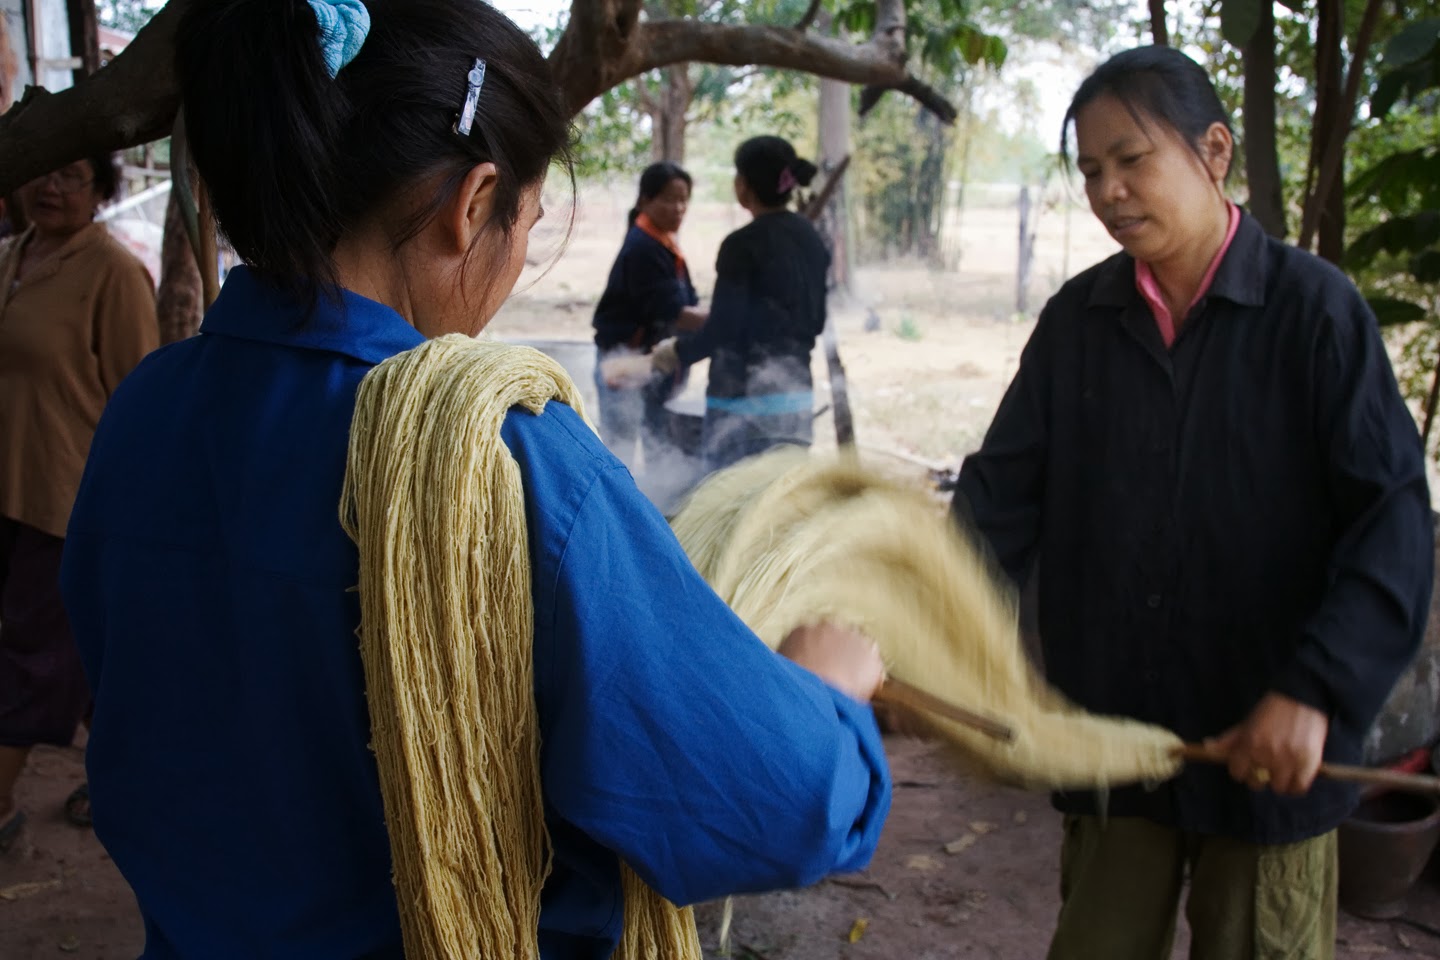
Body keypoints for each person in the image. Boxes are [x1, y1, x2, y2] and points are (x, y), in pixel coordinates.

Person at [58, 2, 891, 958]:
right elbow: (778, 804)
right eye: (526, 225)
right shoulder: (496, 461)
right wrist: (828, 698)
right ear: (471, 202)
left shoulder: (145, 412)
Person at [951, 46, 1433, 959]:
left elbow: (1394, 522)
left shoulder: (1315, 314)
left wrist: (1314, 690)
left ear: (1214, 151)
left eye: (1134, 160)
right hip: (1113, 741)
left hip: (1270, 760)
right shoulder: (1076, 325)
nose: (1109, 191)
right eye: (1091, 170)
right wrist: (925, 625)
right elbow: (994, 503)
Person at [0, 154, 158, 850]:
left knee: (31, 657)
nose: (52, 186)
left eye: (72, 175)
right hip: (7, 489)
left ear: (101, 190)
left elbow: (137, 402)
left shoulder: (113, 274)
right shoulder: (12, 256)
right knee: (89, 659)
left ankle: (0, 806)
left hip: (64, 501)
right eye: (43, 171)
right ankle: (146, 775)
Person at [653, 135, 827, 471]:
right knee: (778, 507)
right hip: (795, 400)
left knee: (729, 513)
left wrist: (675, 353)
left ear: (743, 185)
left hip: (740, 408)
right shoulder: (811, 238)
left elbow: (723, 329)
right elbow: (815, 320)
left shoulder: (741, 244)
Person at [592, 161, 706, 471]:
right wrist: (725, 321)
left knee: (659, 445)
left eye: (684, 200)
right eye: (669, 199)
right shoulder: (643, 247)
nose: (679, 208)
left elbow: (686, 299)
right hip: (626, 365)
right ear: (645, 200)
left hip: (653, 368)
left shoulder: (662, 243)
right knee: (620, 454)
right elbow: (676, 313)